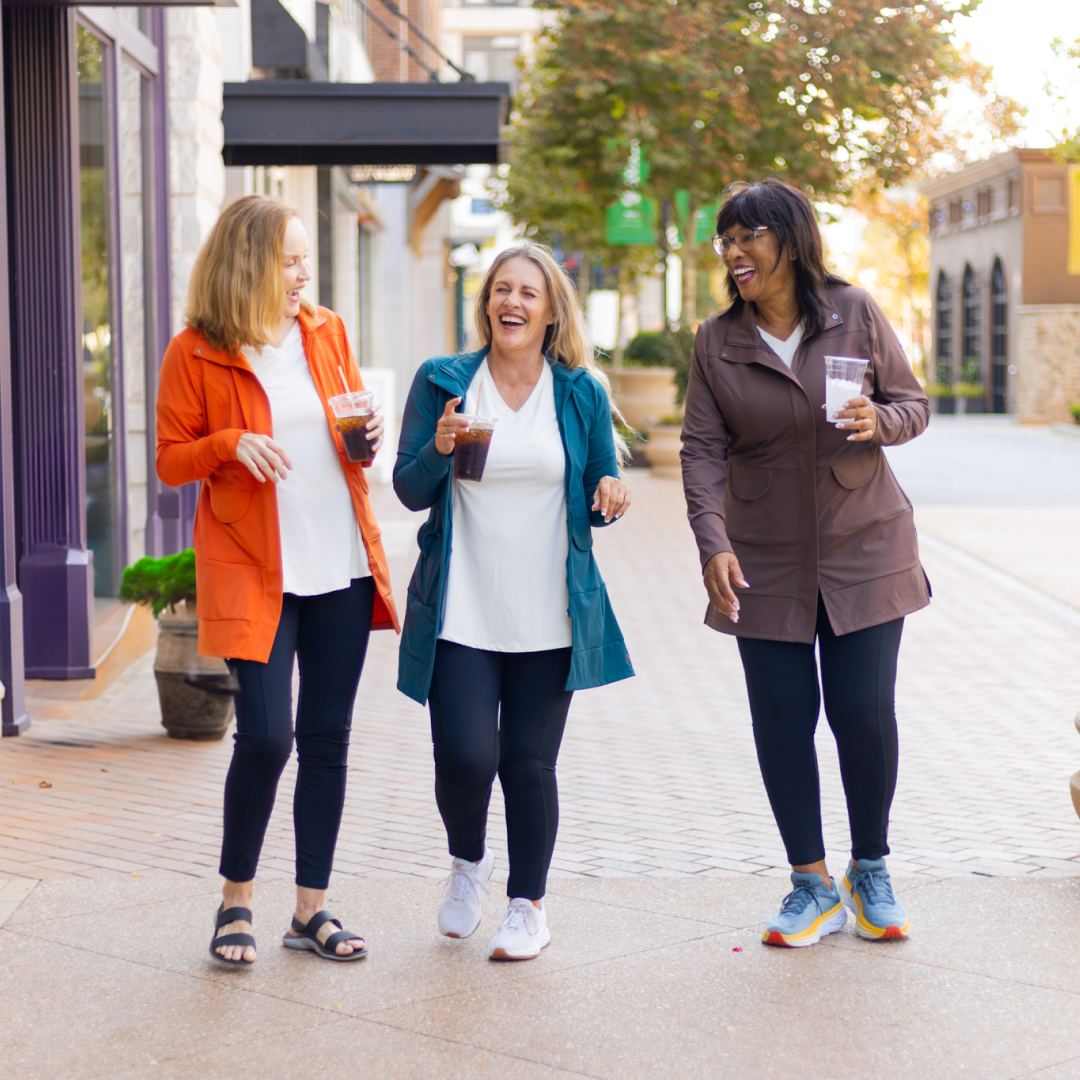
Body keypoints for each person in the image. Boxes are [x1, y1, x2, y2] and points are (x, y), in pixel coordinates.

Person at [681, 179, 930, 948]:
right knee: (784, 720)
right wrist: (713, 542)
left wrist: (879, 419)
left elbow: (914, 404)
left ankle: (871, 867)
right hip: (764, 560)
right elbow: (701, 448)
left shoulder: (853, 310)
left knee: (863, 714)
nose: (733, 252)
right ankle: (810, 882)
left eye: (747, 236)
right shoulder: (717, 341)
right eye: (726, 241)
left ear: (790, 239)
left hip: (866, 544)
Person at [156, 195, 399, 966]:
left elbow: (348, 435)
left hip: (341, 565)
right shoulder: (193, 351)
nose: (303, 274)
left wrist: (364, 439)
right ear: (248, 263)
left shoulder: (325, 330)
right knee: (265, 736)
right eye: (289, 259)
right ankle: (235, 900)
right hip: (254, 570)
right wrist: (228, 443)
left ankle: (311, 911)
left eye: (305, 260)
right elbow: (169, 460)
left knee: (326, 739)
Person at [394, 242, 634, 961]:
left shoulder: (580, 391)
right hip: (462, 608)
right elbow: (410, 489)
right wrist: (437, 449)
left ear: (551, 309)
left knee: (528, 763)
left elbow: (597, 484)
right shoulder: (445, 382)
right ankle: (468, 862)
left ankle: (527, 906)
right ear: (486, 304)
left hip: (548, 613)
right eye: (502, 290)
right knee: (464, 759)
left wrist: (611, 495)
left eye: (529, 292)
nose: (513, 302)